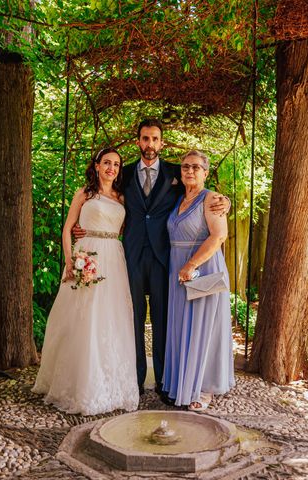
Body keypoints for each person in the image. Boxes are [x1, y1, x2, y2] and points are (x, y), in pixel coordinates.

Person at [73, 119, 229, 405]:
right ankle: (133, 378)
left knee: (163, 319)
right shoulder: (125, 173)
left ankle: (163, 381)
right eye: (145, 139)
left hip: (164, 259)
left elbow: (202, 196)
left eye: (155, 139)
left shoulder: (176, 172)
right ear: (138, 142)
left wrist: (225, 201)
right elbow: (101, 195)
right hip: (130, 256)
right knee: (131, 318)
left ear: (162, 143)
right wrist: (81, 225)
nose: (149, 144)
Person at [32, 148, 139, 416]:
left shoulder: (122, 197)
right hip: (86, 255)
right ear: (97, 165)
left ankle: (110, 384)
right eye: (107, 163)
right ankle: (79, 385)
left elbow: (124, 229)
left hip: (113, 258)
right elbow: (67, 228)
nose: (111, 168)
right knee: (83, 318)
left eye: (116, 164)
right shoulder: (85, 193)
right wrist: (70, 261)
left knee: (111, 319)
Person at [162, 150, 235, 411]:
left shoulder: (212, 199)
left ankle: (204, 389)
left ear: (206, 172)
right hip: (178, 270)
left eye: (195, 167)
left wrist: (191, 264)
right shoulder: (178, 199)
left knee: (204, 329)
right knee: (184, 328)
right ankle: (183, 382)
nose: (189, 171)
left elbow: (219, 236)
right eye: (185, 167)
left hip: (201, 268)